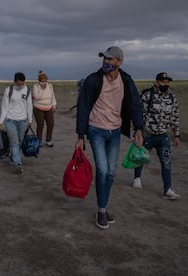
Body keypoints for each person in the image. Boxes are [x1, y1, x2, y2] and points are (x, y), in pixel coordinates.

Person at [75, 46, 143, 229]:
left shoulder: (126, 81)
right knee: (103, 170)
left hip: (115, 132)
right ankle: (102, 210)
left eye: (110, 59)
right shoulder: (93, 80)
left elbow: (136, 104)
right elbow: (82, 107)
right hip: (95, 129)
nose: (106, 62)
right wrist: (81, 135)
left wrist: (138, 128)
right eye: (104, 58)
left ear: (119, 62)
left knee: (111, 172)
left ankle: (102, 206)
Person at [133, 72, 181, 200]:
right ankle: (137, 178)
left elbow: (175, 117)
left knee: (166, 162)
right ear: (156, 82)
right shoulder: (148, 96)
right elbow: (139, 115)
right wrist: (137, 132)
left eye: (167, 82)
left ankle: (168, 189)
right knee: (141, 158)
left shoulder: (172, 98)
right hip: (147, 134)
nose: (166, 84)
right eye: (163, 81)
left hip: (163, 136)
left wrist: (177, 134)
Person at [0, 72, 33, 173]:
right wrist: (1, 121)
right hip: (10, 120)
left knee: (19, 142)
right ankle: (17, 163)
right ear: (14, 82)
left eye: (22, 83)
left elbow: (29, 105)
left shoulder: (27, 90)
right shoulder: (9, 90)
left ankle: (13, 156)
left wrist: (30, 120)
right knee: (14, 142)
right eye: (18, 84)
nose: (21, 86)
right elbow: (4, 106)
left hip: (23, 121)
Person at [32, 70, 57, 147]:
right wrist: (42, 89)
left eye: (45, 81)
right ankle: (39, 140)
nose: (44, 83)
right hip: (38, 108)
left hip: (48, 108)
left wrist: (54, 105)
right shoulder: (35, 87)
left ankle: (48, 140)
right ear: (39, 81)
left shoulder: (50, 86)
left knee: (51, 123)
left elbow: (52, 96)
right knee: (40, 124)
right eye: (42, 81)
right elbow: (37, 97)